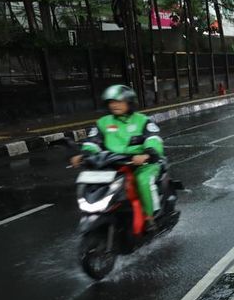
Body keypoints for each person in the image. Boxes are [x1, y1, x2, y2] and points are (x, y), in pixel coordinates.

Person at [70, 85, 164, 231]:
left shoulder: (143, 121)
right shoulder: (103, 122)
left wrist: (147, 153)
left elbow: (154, 139)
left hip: (141, 164)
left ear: (129, 102)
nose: (114, 105)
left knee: (143, 181)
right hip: (113, 164)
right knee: (93, 182)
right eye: (111, 102)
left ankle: (150, 218)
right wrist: (85, 154)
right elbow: (93, 141)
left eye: (119, 101)